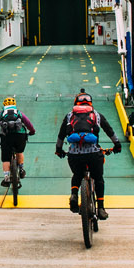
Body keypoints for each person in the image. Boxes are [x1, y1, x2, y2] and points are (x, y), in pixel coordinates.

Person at [54, 90, 120, 220]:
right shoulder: (96, 115)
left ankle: (74, 194)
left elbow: (61, 135)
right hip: (93, 154)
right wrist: (117, 144)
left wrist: (59, 150)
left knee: (77, 175)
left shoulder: (69, 116)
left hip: (74, 155)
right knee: (98, 178)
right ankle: (101, 208)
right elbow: (109, 131)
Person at [0, 96, 35, 188]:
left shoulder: (2, 113)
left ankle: (6, 178)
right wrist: (32, 131)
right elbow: (27, 122)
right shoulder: (18, 112)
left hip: (6, 137)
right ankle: (21, 169)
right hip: (20, 136)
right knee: (19, 152)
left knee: (6, 158)